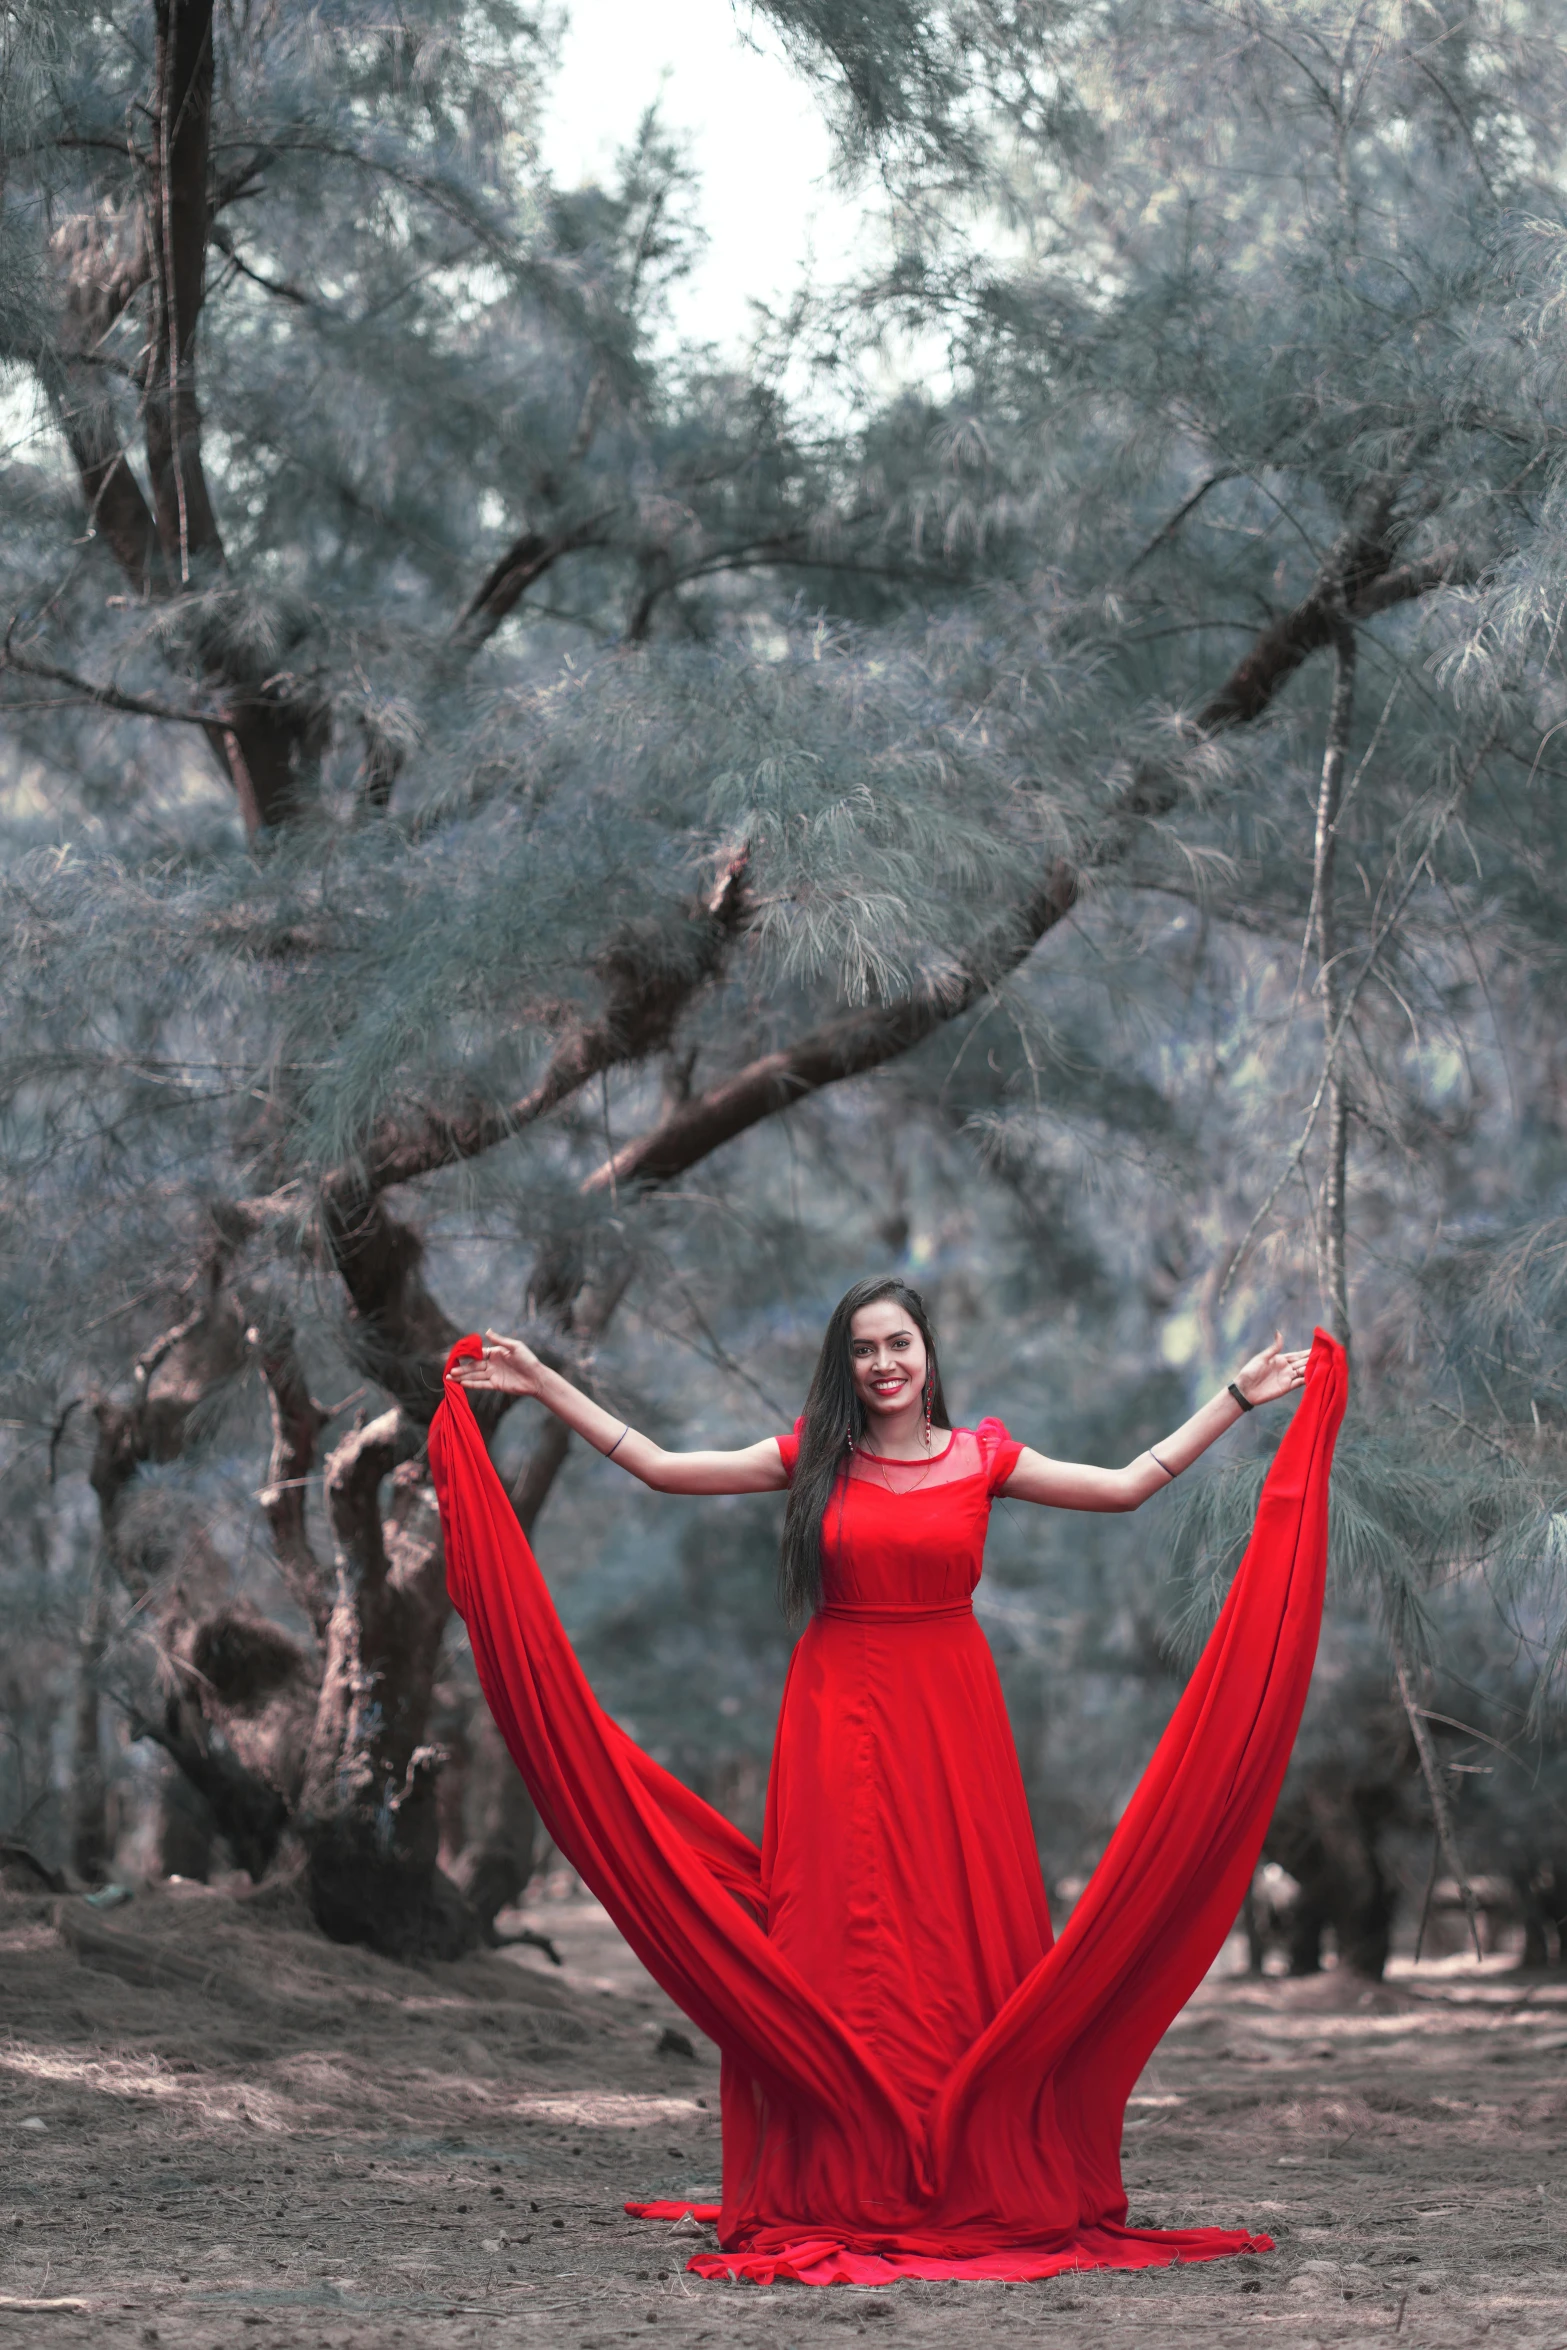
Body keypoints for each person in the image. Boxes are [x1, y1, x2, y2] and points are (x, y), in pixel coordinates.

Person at [433, 1277, 1345, 2287]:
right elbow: (655, 1466)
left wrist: (1236, 1393)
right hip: (831, 1717)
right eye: (862, 1349)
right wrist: (541, 1380)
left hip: (952, 1717)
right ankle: (834, 2171)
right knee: (832, 1930)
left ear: (927, 1352)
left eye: (897, 1343)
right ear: (846, 1366)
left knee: (957, 1928)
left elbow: (1128, 1482)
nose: (882, 1364)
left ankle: (962, 2157)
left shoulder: (981, 1457)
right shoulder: (813, 1461)